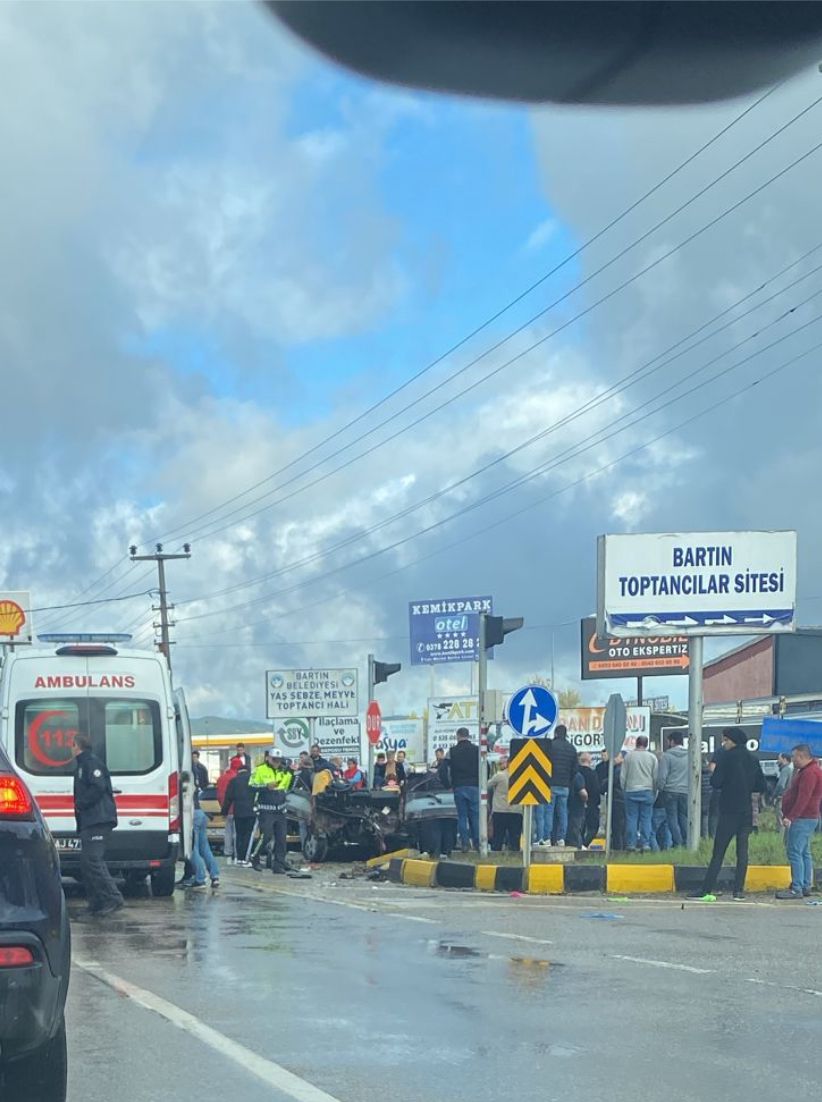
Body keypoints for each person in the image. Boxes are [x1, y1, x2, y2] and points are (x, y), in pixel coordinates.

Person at [689, 727, 766, 901]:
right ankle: (738, 891)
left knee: (718, 852)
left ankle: (706, 889)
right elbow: (761, 786)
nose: (724, 744)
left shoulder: (726, 758)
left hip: (728, 810)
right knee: (742, 851)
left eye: (725, 740)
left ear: (733, 741)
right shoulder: (753, 760)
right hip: (745, 811)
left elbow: (716, 782)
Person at [72, 732, 124, 917]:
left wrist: (81, 804)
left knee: (93, 860)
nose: (70, 749)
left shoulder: (91, 763)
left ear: (77, 746)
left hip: (98, 819)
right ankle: (96, 903)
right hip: (90, 820)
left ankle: (112, 898)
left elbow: (98, 786)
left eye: (72, 745)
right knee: (87, 863)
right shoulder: (82, 764)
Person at [776, 744, 822, 900]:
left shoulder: (809, 773)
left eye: (794, 756)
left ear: (802, 756)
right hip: (809, 817)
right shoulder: (809, 770)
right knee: (804, 852)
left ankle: (797, 888)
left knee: (795, 852)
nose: (793, 759)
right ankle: (805, 884)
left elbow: (804, 798)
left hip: (803, 818)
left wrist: (791, 816)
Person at [249, 749, 293, 875]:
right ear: (268, 758)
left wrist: (291, 772)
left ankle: (278, 864)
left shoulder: (283, 771)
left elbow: (288, 786)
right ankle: (255, 856)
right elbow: (251, 786)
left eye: (278, 760)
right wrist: (265, 787)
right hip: (266, 809)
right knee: (266, 836)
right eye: (274, 760)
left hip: (280, 809)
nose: (276, 763)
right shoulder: (260, 770)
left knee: (281, 838)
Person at [620, 736, 658, 852]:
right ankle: (645, 844)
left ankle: (631, 844)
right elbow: (655, 777)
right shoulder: (652, 758)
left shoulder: (628, 757)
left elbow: (623, 776)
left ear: (636, 743)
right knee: (646, 819)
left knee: (631, 818)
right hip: (647, 791)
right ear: (646, 745)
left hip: (631, 790)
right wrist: (654, 792)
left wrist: (624, 790)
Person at [544, 723, 577, 847]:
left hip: (550, 784)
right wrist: (568, 781)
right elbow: (575, 769)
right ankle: (561, 839)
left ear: (556, 734)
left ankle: (547, 838)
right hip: (565, 786)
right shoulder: (572, 748)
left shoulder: (550, 746)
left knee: (549, 812)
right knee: (563, 813)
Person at [448, 727, 479, 850]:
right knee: (475, 817)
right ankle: (477, 844)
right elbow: (485, 766)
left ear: (458, 736)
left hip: (459, 787)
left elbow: (443, 770)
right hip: (475, 787)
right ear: (468, 735)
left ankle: (465, 844)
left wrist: (448, 785)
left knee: (462, 816)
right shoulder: (476, 750)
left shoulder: (452, 751)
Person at [221, 760, 255, 866]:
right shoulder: (253, 780)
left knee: (239, 834)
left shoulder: (234, 781)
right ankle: (246, 858)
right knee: (248, 834)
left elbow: (228, 798)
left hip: (238, 812)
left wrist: (224, 812)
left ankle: (238, 858)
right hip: (251, 812)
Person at [659, 731, 689, 847]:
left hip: (670, 790)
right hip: (685, 791)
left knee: (672, 818)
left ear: (672, 741)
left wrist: (660, 788)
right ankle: (687, 841)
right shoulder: (689, 755)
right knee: (683, 817)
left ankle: (677, 843)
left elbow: (662, 776)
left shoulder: (667, 756)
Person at [487, 756, 522, 851]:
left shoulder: (500, 776)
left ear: (508, 763)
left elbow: (487, 785)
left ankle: (496, 854)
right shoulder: (521, 777)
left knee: (498, 836)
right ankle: (515, 855)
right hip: (516, 811)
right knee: (515, 837)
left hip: (500, 810)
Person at [190, 781, 220, 889]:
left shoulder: (182, 784)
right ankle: (215, 876)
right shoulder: (194, 784)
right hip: (201, 813)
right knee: (205, 848)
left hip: (192, 815)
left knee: (192, 849)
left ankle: (200, 878)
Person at [216, 754, 243, 863]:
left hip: (226, 809)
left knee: (227, 831)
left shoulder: (221, 778)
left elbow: (218, 795)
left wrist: (223, 807)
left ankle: (227, 852)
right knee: (237, 832)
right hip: (236, 809)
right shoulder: (237, 779)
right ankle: (237, 853)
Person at [578, 752, 601, 847]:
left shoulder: (576, 773)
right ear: (589, 761)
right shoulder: (592, 774)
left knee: (579, 828)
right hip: (591, 804)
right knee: (593, 827)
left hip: (577, 804)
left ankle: (580, 845)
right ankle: (584, 844)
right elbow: (596, 790)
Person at [565, 770, 589, 849]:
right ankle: (578, 850)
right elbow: (583, 794)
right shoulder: (577, 776)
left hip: (569, 809)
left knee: (573, 832)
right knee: (575, 833)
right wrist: (585, 802)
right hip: (577, 808)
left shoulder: (568, 775)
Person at [773, 751, 794, 837]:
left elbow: (781, 784)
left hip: (782, 797)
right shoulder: (791, 769)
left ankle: (780, 835)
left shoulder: (785, 770)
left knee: (780, 816)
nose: (777, 761)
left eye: (779, 759)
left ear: (785, 759)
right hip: (788, 796)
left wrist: (776, 795)